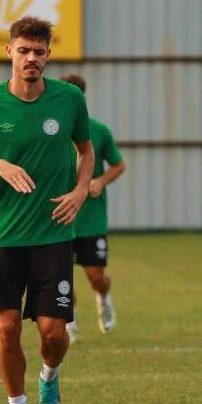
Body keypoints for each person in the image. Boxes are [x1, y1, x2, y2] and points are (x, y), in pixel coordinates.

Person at [0, 16, 95, 404]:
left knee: (53, 332)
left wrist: (80, 190)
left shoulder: (69, 99)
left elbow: (86, 151)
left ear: (48, 55)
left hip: (53, 234)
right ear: (9, 52)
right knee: (7, 328)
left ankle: (49, 377)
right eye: (23, 51)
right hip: (3, 236)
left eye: (38, 52)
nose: (31, 58)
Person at [58, 74, 126, 342]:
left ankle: (104, 297)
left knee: (95, 276)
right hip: (60, 217)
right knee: (61, 275)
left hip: (91, 218)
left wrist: (100, 181)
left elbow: (118, 165)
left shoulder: (98, 131)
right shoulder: (49, 129)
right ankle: (69, 321)